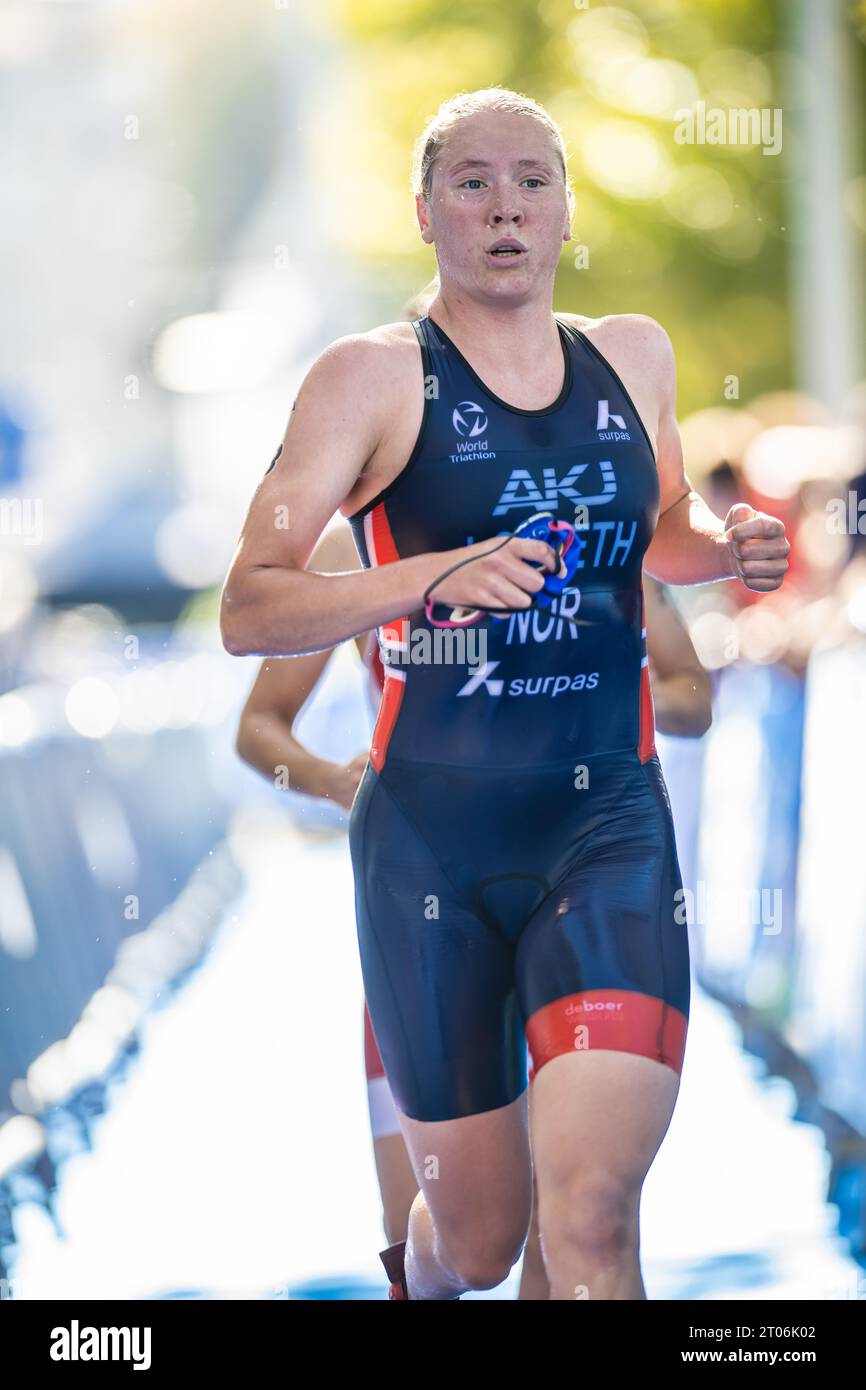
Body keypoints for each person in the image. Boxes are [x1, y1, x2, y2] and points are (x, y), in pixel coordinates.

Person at [220, 86, 789, 1300]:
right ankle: (422, 1280)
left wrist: (723, 545)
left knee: (587, 1217)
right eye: (471, 183)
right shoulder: (365, 380)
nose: (505, 210)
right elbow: (248, 607)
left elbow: (662, 523)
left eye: (532, 181)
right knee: (478, 1243)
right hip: (430, 844)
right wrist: (428, 579)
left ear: (567, 208)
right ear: (424, 212)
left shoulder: (630, 353)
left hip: (606, 828)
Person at [235, 518, 711, 1298]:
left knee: (575, 1227)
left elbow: (694, 696)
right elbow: (258, 724)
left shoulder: (594, 516)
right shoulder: (349, 545)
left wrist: (600, 674)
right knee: (442, 1250)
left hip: (574, 901)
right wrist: (333, 781)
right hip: (432, 913)